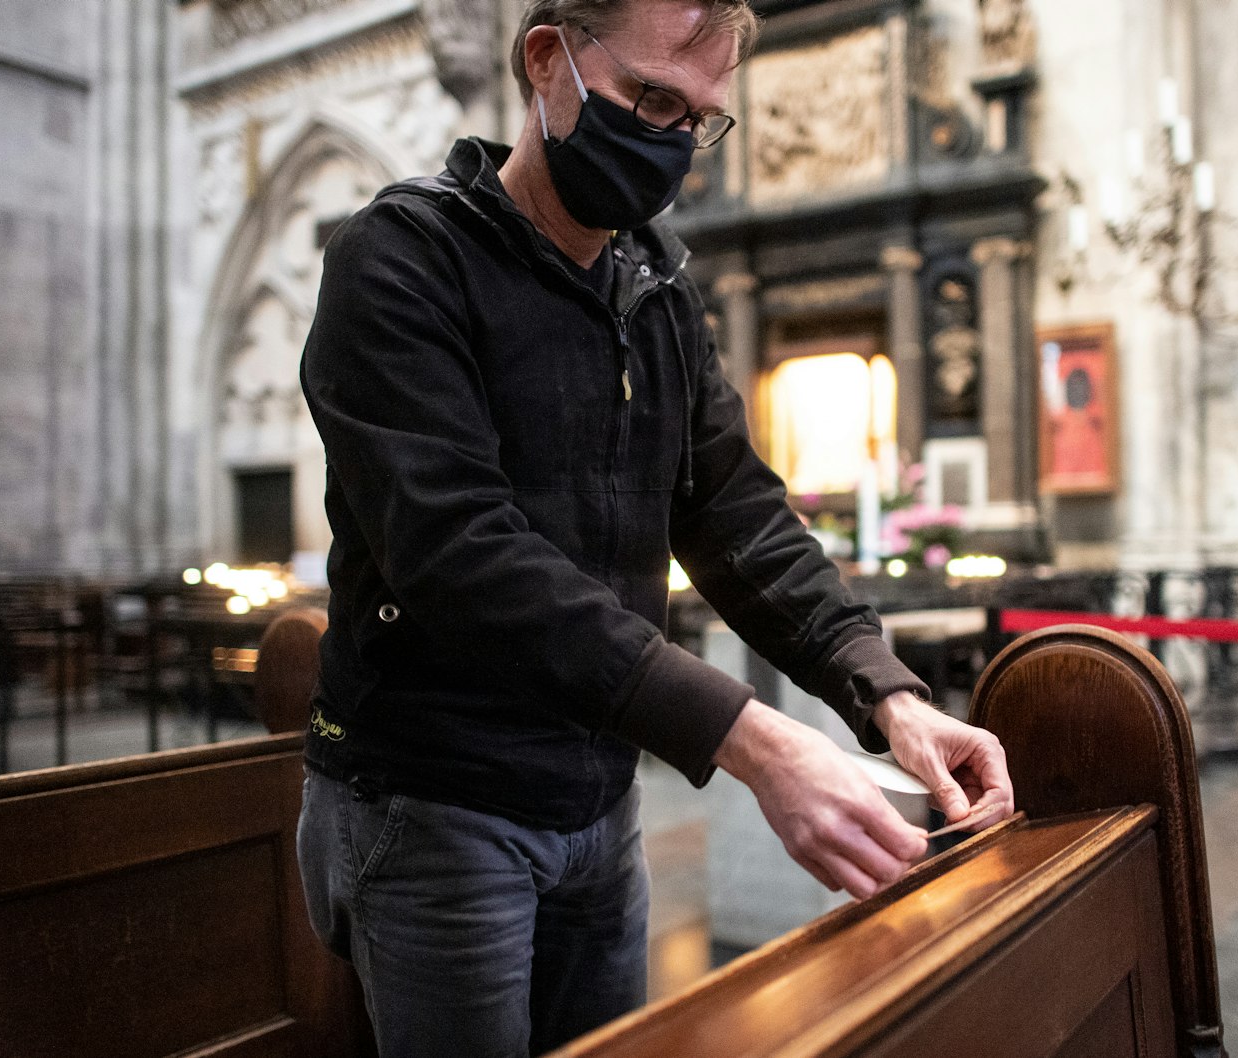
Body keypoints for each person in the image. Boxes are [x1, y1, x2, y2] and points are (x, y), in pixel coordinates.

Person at [295, 2, 1013, 1054]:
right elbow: (462, 556)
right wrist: (758, 741)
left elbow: (735, 514)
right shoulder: (402, 260)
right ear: (547, 60)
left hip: (597, 797)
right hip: (437, 799)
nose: (672, 139)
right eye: (649, 99)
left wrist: (886, 692)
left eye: (699, 119)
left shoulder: (654, 281)